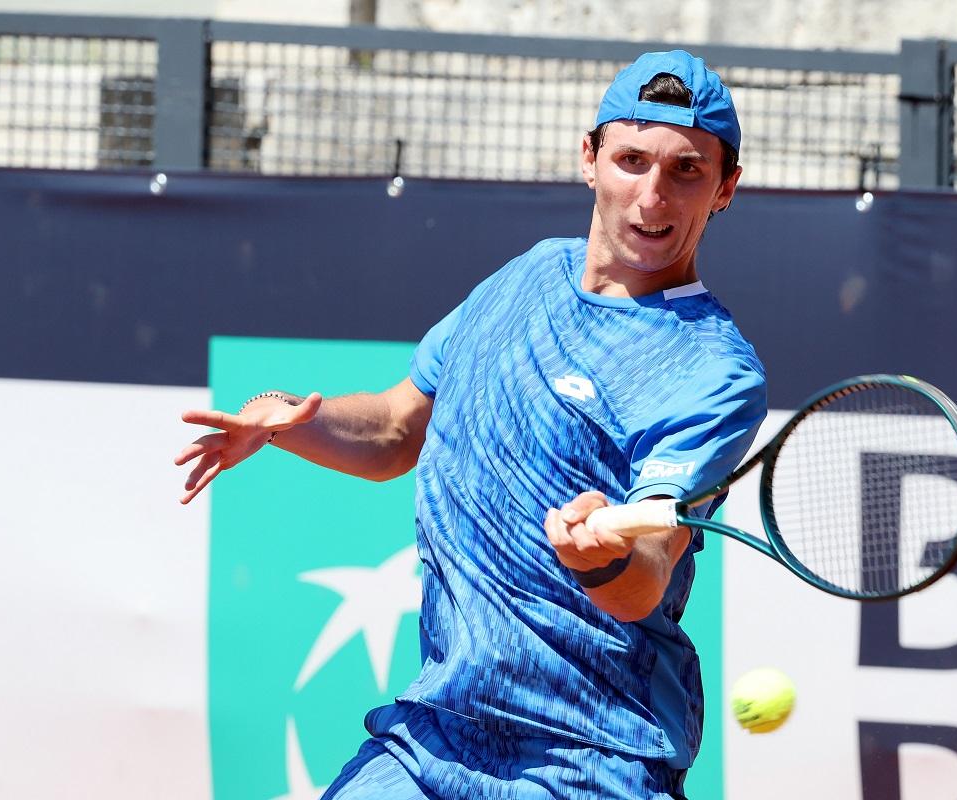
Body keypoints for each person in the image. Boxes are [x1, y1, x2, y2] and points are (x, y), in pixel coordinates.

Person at [177, 49, 767, 800]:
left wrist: (599, 560)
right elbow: (396, 430)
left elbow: (647, 567)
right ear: (589, 159)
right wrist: (286, 421)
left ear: (725, 188)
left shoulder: (715, 370)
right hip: (436, 731)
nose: (653, 195)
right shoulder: (524, 276)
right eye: (631, 159)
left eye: (686, 169)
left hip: (588, 757)